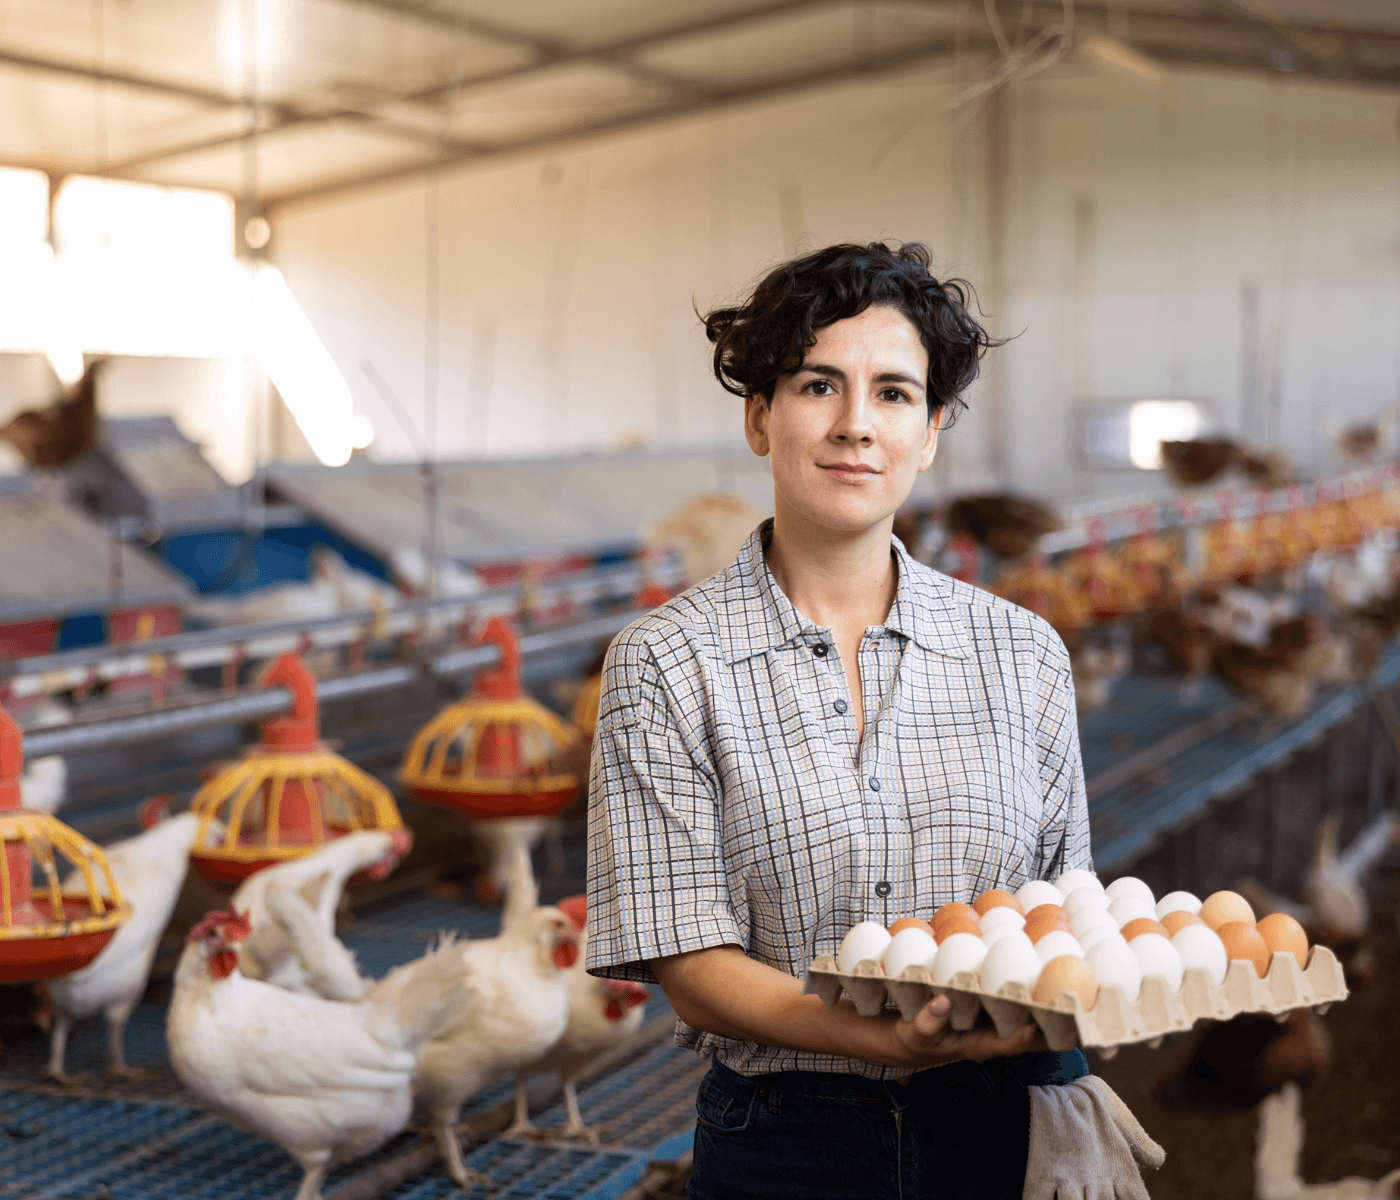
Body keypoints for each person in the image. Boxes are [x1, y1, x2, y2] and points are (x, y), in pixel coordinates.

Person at [586, 242, 1092, 1199]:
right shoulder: (664, 663)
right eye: (820, 384)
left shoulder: (1023, 653)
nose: (857, 425)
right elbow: (692, 960)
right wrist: (877, 1035)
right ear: (759, 416)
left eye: (895, 394)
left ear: (932, 429)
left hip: (1003, 1119)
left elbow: (1062, 908)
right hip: (786, 1139)